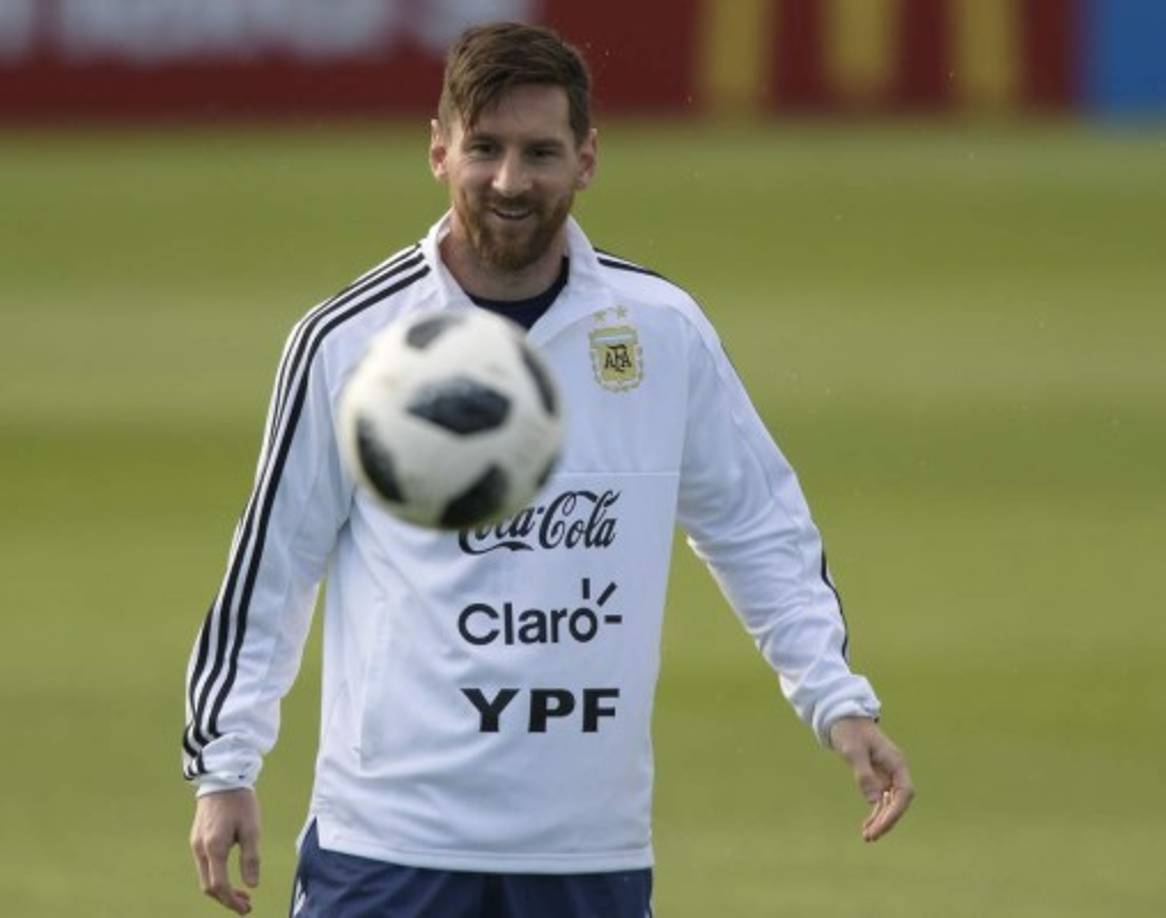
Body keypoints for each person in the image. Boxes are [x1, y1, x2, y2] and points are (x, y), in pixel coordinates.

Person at [184, 21, 914, 918]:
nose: (509, 181)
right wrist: (225, 766)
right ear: (438, 151)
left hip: (585, 851)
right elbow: (273, 565)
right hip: (390, 844)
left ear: (588, 159)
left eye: (540, 152)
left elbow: (756, 526)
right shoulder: (351, 343)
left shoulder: (661, 332)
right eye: (484, 149)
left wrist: (838, 702)